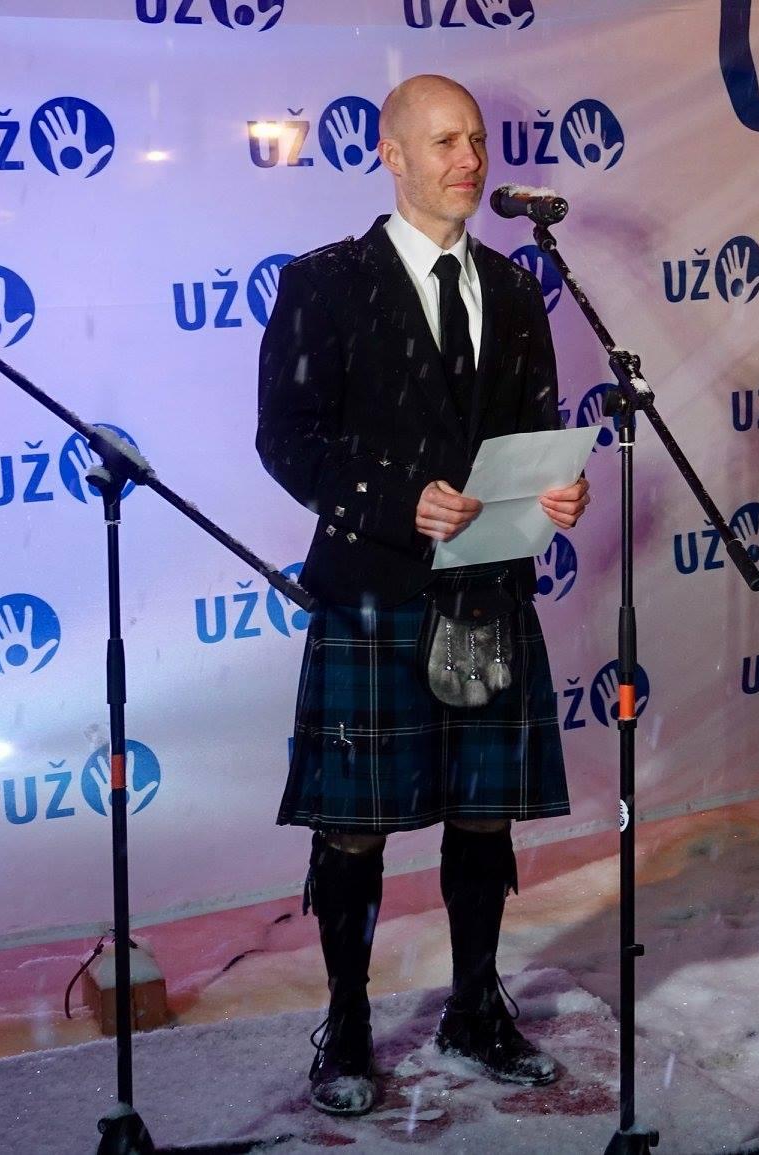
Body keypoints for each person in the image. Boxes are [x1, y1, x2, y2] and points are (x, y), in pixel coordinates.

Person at [256, 73, 590, 1114]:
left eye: (476, 140)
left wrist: (556, 489)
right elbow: (287, 439)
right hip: (374, 590)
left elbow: (533, 428)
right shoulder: (325, 284)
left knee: (484, 818)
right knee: (354, 828)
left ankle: (474, 1008)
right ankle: (349, 1024)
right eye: (444, 142)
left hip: (489, 588)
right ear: (391, 155)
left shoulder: (516, 287)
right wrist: (399, 500)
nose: (469, 160)